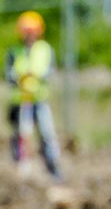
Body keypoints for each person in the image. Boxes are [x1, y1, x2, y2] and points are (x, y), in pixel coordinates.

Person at [5, 11, 67, 183]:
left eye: (32, 30)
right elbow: (8, 74)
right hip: (21, 101)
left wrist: (35, 76)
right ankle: (21, 170)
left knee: (47, 134)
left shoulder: (45, 49)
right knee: (22, 136)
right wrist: (19, 78)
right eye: (26, 31)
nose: (29, 34)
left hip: (39, 100)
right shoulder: (14, 51)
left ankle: (53, 169)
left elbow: (49, 71)